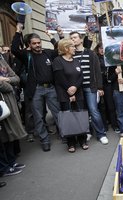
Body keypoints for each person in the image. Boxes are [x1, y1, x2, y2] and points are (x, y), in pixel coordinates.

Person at [11, 23, 60, 152]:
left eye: (39, 42)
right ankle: (45, 140)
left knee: (57, 113)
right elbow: (14, 49)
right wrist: (18, 31)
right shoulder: (27, 56)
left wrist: (53, 36)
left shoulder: (48, 53)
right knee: (38, 117)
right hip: (36, 90)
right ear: (30, 45)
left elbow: (60, 48)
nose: (38, 45)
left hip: (51, 89)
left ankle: (65, 134)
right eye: (34, 43)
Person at [69, 31, 108, 145]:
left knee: (94, 111)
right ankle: (87, 132)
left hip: (90, 87)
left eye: (75, 37)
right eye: (71, 38)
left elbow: (97, 71)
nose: (73, 40)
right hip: (78, 89)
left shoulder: (90, 53)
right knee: (82, 112)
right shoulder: (71, 54)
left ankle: (101, 134)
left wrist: (100, 87)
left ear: (81, 40)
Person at [52, 39, 88, 153]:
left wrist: (75, 88)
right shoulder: (57, 61)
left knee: (79, 116)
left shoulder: (76, 61)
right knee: (69, 119)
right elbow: (59, 78)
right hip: (64, 93)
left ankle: (82, 140)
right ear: (66, 48)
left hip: (78, 93)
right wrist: (69, 90)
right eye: (72, 46)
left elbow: (81, 77)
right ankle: (71, 142)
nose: (74, 48)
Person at [0, 54, 27, 177]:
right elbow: (4, 86)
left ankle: (11, 162)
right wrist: (9, 84)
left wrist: (5, 80)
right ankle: (5, 167)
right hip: (2, 102)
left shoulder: (1, 60)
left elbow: (16, 78)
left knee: (11, 132)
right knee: (3, 135)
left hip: (9, 101)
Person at [94, 42, 119, 134]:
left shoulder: (111, 58)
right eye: (100, 48)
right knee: (101, 106)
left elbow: (114, 73)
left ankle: (115, 125)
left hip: (108, 84)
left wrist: (111, 79)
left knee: (111, 105)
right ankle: (104, 126)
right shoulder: (95, 58)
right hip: (98, 85)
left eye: (104, 48)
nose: (102, 50)